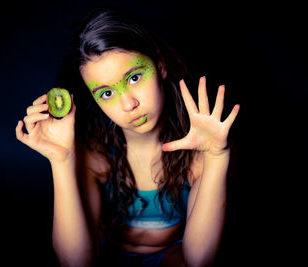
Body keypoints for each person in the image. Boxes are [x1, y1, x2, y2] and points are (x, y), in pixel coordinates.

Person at [15, 7, 239, 267]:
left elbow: (199, 260)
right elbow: (75, 263)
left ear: (161, 66)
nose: (128, 104)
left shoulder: (202, 154)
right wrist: (62, 160)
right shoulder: (94, 156)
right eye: (107, 93)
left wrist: (216, 156)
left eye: (134, 78)